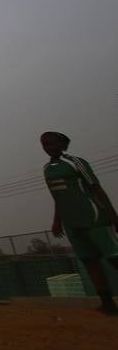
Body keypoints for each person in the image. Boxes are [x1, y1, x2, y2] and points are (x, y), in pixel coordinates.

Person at [41, 131, 118, 316]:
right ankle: (107, 303)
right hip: (71, 222)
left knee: (114, 257)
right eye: (45, 144)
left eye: (52, 143)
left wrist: (113, 216)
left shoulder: (75, 162)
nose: (48, 147)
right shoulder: (47, 168)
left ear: (62, 144)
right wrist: (57, 220)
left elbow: (96, 188)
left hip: (93, 217)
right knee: (89, 261)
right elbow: (57, 196)